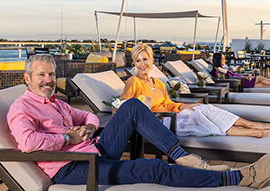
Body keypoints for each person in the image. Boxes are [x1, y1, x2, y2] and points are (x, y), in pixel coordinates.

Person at [7, 54, 270, 189]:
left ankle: (184, 157)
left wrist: (87, 127)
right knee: (150, 169)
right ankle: (239, 179)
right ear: (27, 79)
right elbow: (29, 142)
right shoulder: (21, 108)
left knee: (133, 106)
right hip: (74, 167)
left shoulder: (58, 102)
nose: (48, 80)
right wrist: (68, 138)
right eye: (41, 75)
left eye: (51, 74)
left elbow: (86, 115)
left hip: (94, 149)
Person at [120, 44, 270, 138]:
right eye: (138, 60)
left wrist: (183, 106)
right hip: (161, 121)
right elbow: (124, 107)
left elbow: (168, 103)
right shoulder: (134, 81)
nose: (142, 64)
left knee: (205, 109)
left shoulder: (158, 83)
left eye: (145, 59)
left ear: (151, 60)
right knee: (202, 115)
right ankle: (253, 128)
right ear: (134, 63)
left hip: (172, 114)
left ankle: (255, 129)